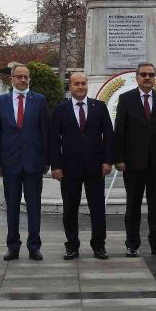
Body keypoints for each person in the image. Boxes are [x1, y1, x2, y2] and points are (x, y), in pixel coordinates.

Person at [114, 62, 156, 257]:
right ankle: (132, 244)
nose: (147, 78)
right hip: (133, 163)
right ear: (137, 77)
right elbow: (120, 131)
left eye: (151, 74)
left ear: (155, 77)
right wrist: (119, 158)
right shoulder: (126, 99)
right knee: (132, 205)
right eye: (144, 74)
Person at [50, 72, 114, 260]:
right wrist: (55, 165)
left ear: (87, 85)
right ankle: (72, 246)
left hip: (95, 167)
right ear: (70, 87)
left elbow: (109, 136)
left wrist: (107, 161)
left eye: (83, 83)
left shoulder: (99, 107)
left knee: (98, 209)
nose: (80, 87)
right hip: (69, 168)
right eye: (76, 84)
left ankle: (99, 245)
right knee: (70, 208)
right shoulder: (60, 110)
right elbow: (54, 140)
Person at [0, 64, 50, 261]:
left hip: (34, 163)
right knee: (12, 206)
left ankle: (34, 246)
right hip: (10, 163)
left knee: (34, 207)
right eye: (19, 77)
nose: (23, 80)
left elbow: (45, 132)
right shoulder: (0, 102)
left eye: (26, 77)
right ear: (12, 79)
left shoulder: (39, 101)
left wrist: (46, 160)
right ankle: (13, 246)